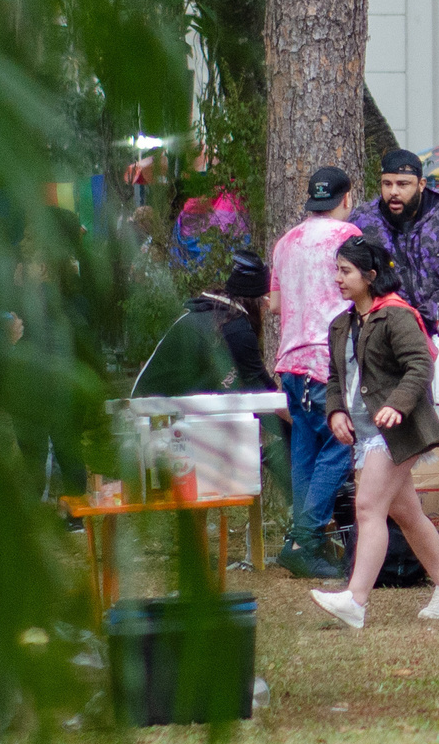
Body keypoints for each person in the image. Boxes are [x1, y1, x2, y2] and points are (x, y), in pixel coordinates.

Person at [309, 235, 439, 628]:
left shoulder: (395, 315)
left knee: (367, 507)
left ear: (370, 275)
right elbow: (334, 378)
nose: (338, 279)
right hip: (365, 431)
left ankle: (355, 601)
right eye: (337, 271)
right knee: (407, 513)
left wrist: (398, 404)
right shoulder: (341, 324)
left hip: (400, 430)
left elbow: (420, 366)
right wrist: (335, 413)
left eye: (346, 271)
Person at [268, 167, 361, 573]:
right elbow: (361, 290)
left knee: (305, 453)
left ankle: (303, 540)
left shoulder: (285, 242)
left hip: (291, 361)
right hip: (330, 360)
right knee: (344, 443)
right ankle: (305, 540)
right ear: (347, 198)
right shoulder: (348, 237)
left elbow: (274, 303)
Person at [348, 150, 439, 331]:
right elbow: (357, 277)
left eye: (403, 184)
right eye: (387, 184)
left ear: (421, 184)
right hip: (388, 326)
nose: (393, 192)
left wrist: (419, 319)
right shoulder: (364, 219)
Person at [133, 248, 273, 396]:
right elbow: (264, 390)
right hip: (154, 410)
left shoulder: (215, 315)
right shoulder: (236, 329)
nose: (269, 306)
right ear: (255, 301)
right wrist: (297, 417)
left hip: (162, 402)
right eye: (267, 299)